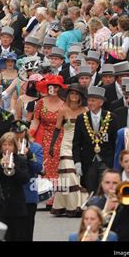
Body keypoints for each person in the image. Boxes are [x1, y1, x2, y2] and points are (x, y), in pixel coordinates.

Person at [50, 84, 88, 217]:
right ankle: (71, 206)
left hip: (79, 145)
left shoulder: (84, 110)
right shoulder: (63, 110)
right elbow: (57, 129)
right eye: (72, 93)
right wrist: (52, 146)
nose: (74, 96)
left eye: (77, 94)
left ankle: (76, 205)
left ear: (80, 97)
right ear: (68, 95)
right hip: (65, 144)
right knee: (68, 173)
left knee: (77, 174)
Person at [29, 75, 66, 207]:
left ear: (60, 88)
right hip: (43, 137)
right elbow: (35, 120)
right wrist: (30, 135)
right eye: (51, 86)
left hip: (60, 137)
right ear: (47, 88)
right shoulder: (40, 103)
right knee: (44, 165)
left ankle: (57, 197)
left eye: (57, 87)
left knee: (57, 166)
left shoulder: (64, 103)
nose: (54, 89)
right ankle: (46, 194)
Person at [73, 87, 118, 193]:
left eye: (93, 100)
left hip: (106, 160)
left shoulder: (111, 117)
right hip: (88, 161)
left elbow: (115, 142)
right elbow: (76, 143)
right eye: (89, 100)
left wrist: (114, 162)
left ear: (101, 102)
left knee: (106, 190)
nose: (90, 103)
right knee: (91, 190)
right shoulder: (81, 118)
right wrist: (77, 162)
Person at [0, 132, 30, 240]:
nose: (7, 148)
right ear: (0, 147)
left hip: (17, 206)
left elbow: (25, 179)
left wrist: (15, 169)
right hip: (0, 207)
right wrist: (0, 167)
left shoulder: (21, 160)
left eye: (10, 145)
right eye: (4, 145)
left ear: (15, 147)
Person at [88, 169, 129, 241]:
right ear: (102, 184)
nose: (111, 186)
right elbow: (89, 226)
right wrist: (106, 210)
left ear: (120, 183)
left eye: (114, 183)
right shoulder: (94, 203)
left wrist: (126, 201)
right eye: (107, 182)